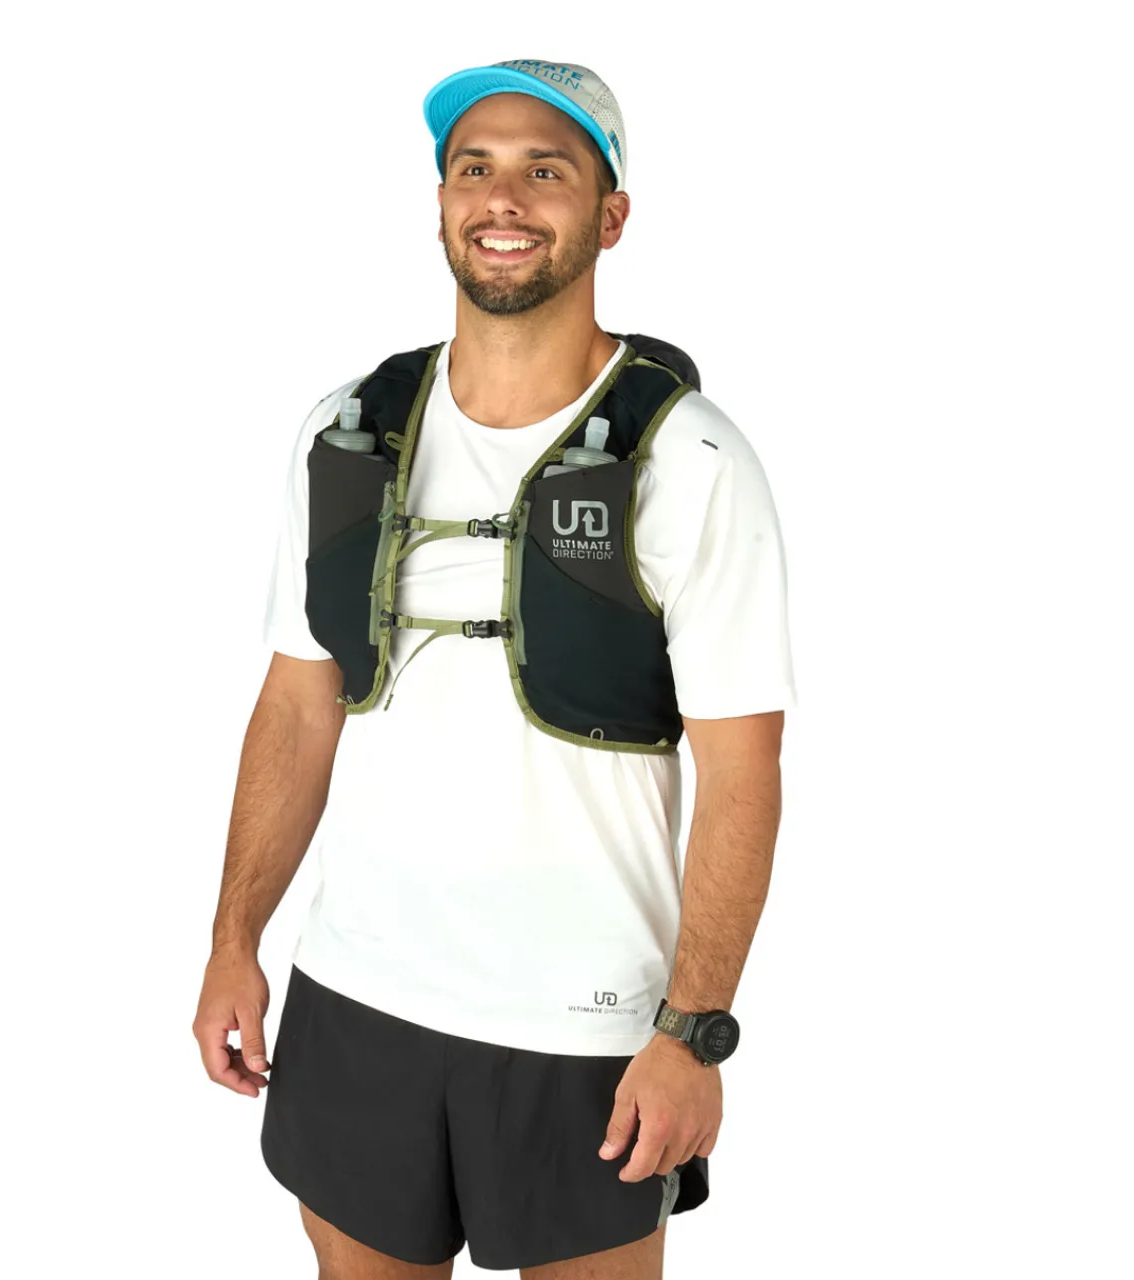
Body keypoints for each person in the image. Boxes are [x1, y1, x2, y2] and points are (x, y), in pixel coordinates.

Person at [193, 58, 796, 1278]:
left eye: (544, 171)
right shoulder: (348, 430)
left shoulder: (692, 460)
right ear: (440, 204)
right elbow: (297, 705)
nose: (502, 198)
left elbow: (743, 773)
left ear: (609, 216)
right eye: (474, 167)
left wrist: (691, 1031)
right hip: (355, 994)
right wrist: (231, 936)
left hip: (585, 1026)